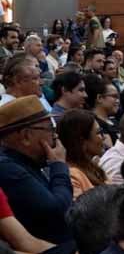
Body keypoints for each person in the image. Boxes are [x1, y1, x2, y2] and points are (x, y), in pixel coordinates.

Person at [0, 96, 72, 244]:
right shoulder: (7, 168)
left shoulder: (29, 161)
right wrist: (59, 166)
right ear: (26, 136)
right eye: (49, 129)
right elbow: (57, 211)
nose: (55, 135)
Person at [58, 109, 107, 198]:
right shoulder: (72, 176)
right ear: (82, 141)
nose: (103, 138)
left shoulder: (93, 166)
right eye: (98, 133)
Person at [86, 74, 120, 146]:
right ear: (99, 98)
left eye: (118, 97)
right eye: (114, 96)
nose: (118, 101)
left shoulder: (114, 121)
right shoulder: (93, 123)